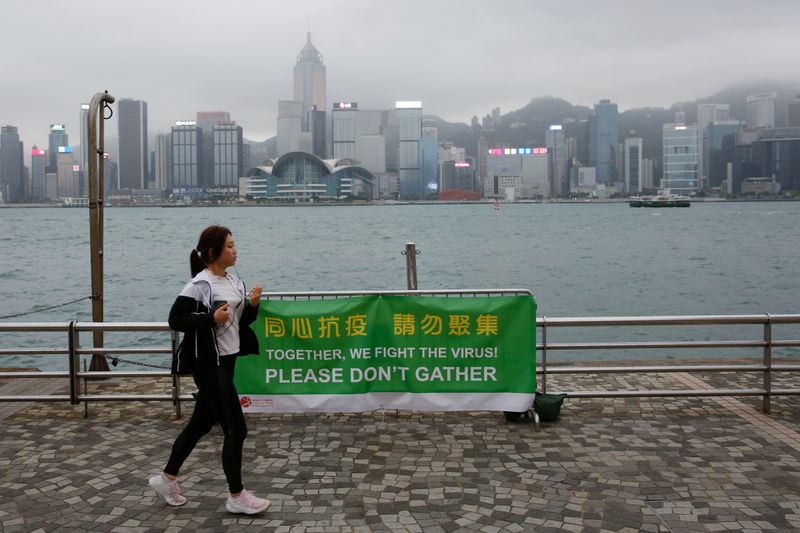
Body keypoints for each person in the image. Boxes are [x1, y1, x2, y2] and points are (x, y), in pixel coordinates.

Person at [149, 225, 269, 515]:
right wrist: (209, 318)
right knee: (236, 429)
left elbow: (240, 323)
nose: (235, 250)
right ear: (214, 252)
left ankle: (166, 479)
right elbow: (176, 319)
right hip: (207, 364)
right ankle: (236, 495)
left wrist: (252, 306)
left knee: (200, 425)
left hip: (227, 362)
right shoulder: (200, 285)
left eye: (235, 244)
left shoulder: (235, 282)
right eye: (229, 246)